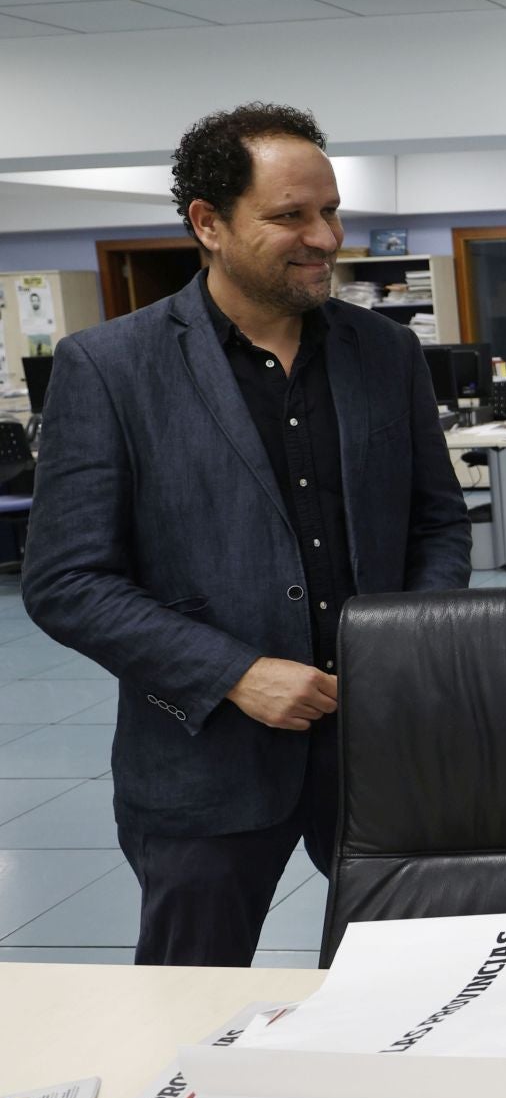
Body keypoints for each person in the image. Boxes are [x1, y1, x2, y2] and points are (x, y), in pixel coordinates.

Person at [21, 103, 471, 967]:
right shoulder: (111, 367)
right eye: (291, 216)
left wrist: (411, 644)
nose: (325, 237)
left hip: (379, 747)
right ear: (208, 223)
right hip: (205, 765)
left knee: (408, 992)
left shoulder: (386, 352)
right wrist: (235, 673)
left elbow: (437, 521)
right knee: (186, 1006)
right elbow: (68, 581)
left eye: (331, 210)